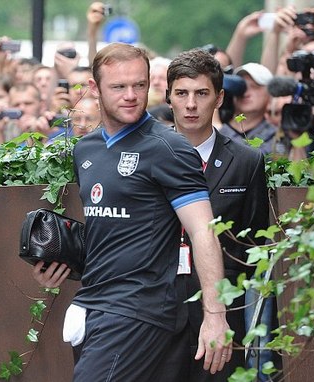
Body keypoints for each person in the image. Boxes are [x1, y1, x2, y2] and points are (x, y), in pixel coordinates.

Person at [32, 43, 231, 381]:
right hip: (94, 303)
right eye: (119, 87)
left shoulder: (169, 148)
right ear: (94, 89)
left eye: (139, 85)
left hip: (142, 307)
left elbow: (203, 230)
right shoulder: (86, 149)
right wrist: (61, 264)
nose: (131, 95)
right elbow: (108, 229)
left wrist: (215, 314)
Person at [154, 48, 272, 381]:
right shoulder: (145, 154)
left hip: (220, 311)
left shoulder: (247, 162)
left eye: (201, 93)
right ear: (169, 98)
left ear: (219, 98)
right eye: (182, 93)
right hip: (155, 307)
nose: (191, 104)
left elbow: (252, 244)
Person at [220, 63, 277, 155]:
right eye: (241, 87)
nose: (245, 93)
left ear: (270, 94)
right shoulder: (219, 120)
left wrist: (220, 131)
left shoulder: (275, 135)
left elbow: (256, 160)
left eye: (254, 87)